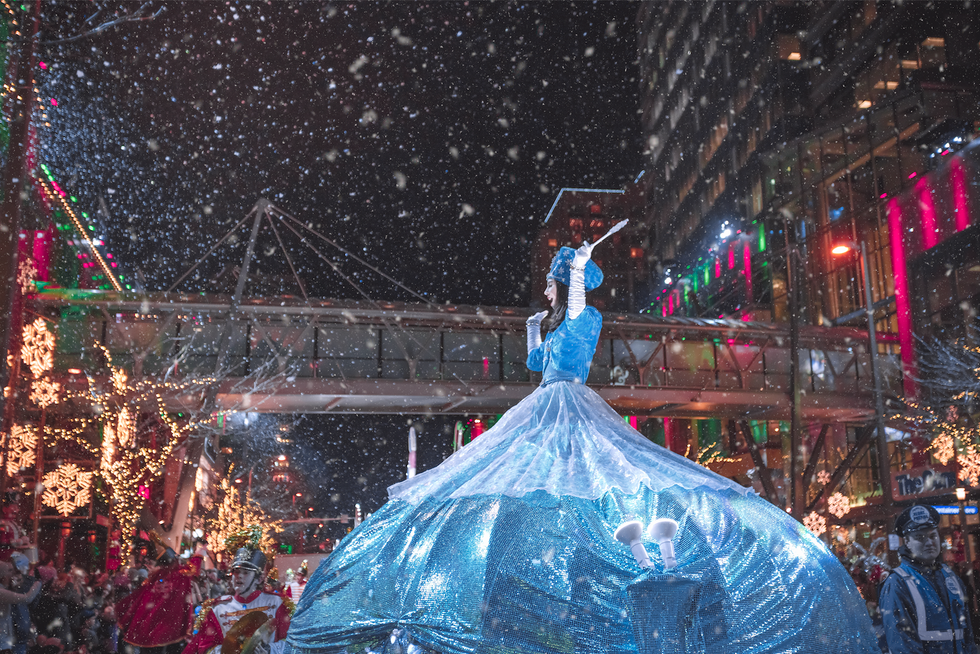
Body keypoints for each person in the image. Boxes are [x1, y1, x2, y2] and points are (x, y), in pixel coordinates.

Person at [286, 236, 880, 653]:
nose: (546, 290)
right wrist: (531, 325)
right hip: (545, 406)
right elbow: (534, 363)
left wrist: (576, 274)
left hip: (569, 405)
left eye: (552, 284)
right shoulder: (551, 327)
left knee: (587, 483)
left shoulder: (582, 320)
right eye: (551, 284)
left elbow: (571, 326)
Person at [879, 504, 978, 654]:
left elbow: (968, 636)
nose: (929, 542)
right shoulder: (897, 583)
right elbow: (903, 646)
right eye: (920, 537)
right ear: (907, 542)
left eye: (932, 536)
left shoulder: (951, 577)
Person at [182, 542, 291, 654]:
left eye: (246, 573)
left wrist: (269, 649)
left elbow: (291, 642)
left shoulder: (277, 603)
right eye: (236, 572)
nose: (239, 576)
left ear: (259, 579)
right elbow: (205, 648)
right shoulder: (217, 608)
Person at [114, 543, 202, 654]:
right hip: (169, 625)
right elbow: (192, 569)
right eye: (176, 558)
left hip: (150, 624)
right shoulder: (178, 575)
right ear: (173, 561)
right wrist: (198, 555)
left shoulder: (155, 576)